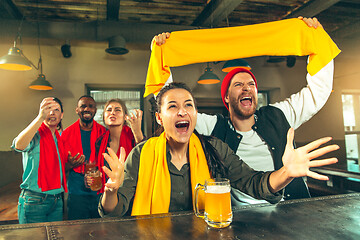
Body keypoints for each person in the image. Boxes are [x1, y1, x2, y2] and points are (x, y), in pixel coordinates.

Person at [154, 17, 335, 205]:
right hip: (238, 220)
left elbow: (317, 93)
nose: (246, 88)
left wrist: (317, 40)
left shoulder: (279, 115)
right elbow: (170, 105)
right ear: (226, 97)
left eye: (251, 85)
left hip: (290, 212)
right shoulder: (214, 126)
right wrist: (160, 52)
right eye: (238, 85)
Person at [98, 82, 338, 217]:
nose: (182, 111)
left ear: (194, 114)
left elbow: (253, 182)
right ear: (159, 118)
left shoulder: (214, 148)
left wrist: (286, 172)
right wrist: (111, 191)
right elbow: (114, 211)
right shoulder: (141, 154)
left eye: (188, 105)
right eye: (173, 106)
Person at [11, 97, 67, 224]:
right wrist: (40, 118)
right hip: (34, 200)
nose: (52, 113)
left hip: (56, 200)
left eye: (56, 110)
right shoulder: (35, 135)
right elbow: (19, 145)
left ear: (61, 115)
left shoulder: (59, 138)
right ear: (42, 112)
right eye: (48, 109)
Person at [61, 95, 106, 220]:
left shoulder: (104, 133)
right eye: (83, 106)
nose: (87, 109)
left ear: (95, 110)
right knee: (77, 231)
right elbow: (59, 168)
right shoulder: (66, 134)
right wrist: (71, 165)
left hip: (99, 190)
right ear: (77, 110)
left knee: (100, 230)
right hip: (76, 192)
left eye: (91, 106)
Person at [89, 99, 144, 195]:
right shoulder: (100, 141)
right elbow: (97, 170)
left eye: (117, 110)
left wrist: (138, 132)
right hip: (107, 194)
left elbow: (145, 158)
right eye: (109, 110)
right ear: (104, 117)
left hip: (131, 194)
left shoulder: (133, 136)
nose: (112, 112)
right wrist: (91, 179)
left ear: (125, 117)